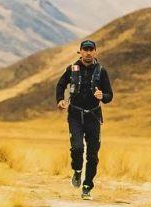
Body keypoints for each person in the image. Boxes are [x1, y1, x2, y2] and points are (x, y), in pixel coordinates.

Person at [55, 39, 113, 201]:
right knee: (78, 148)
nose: (88, 52)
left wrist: (103, 96)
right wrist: (60, 99)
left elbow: (109, 95)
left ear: (95, 52)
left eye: (91, 49)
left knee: (93, 154)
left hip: (93, 116)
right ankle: (77, 170)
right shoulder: (71, 69)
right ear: (80, 52)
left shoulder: (101, 71)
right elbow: (60, 85)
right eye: (85, 49)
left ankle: (87, 186)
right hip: (75, 115)